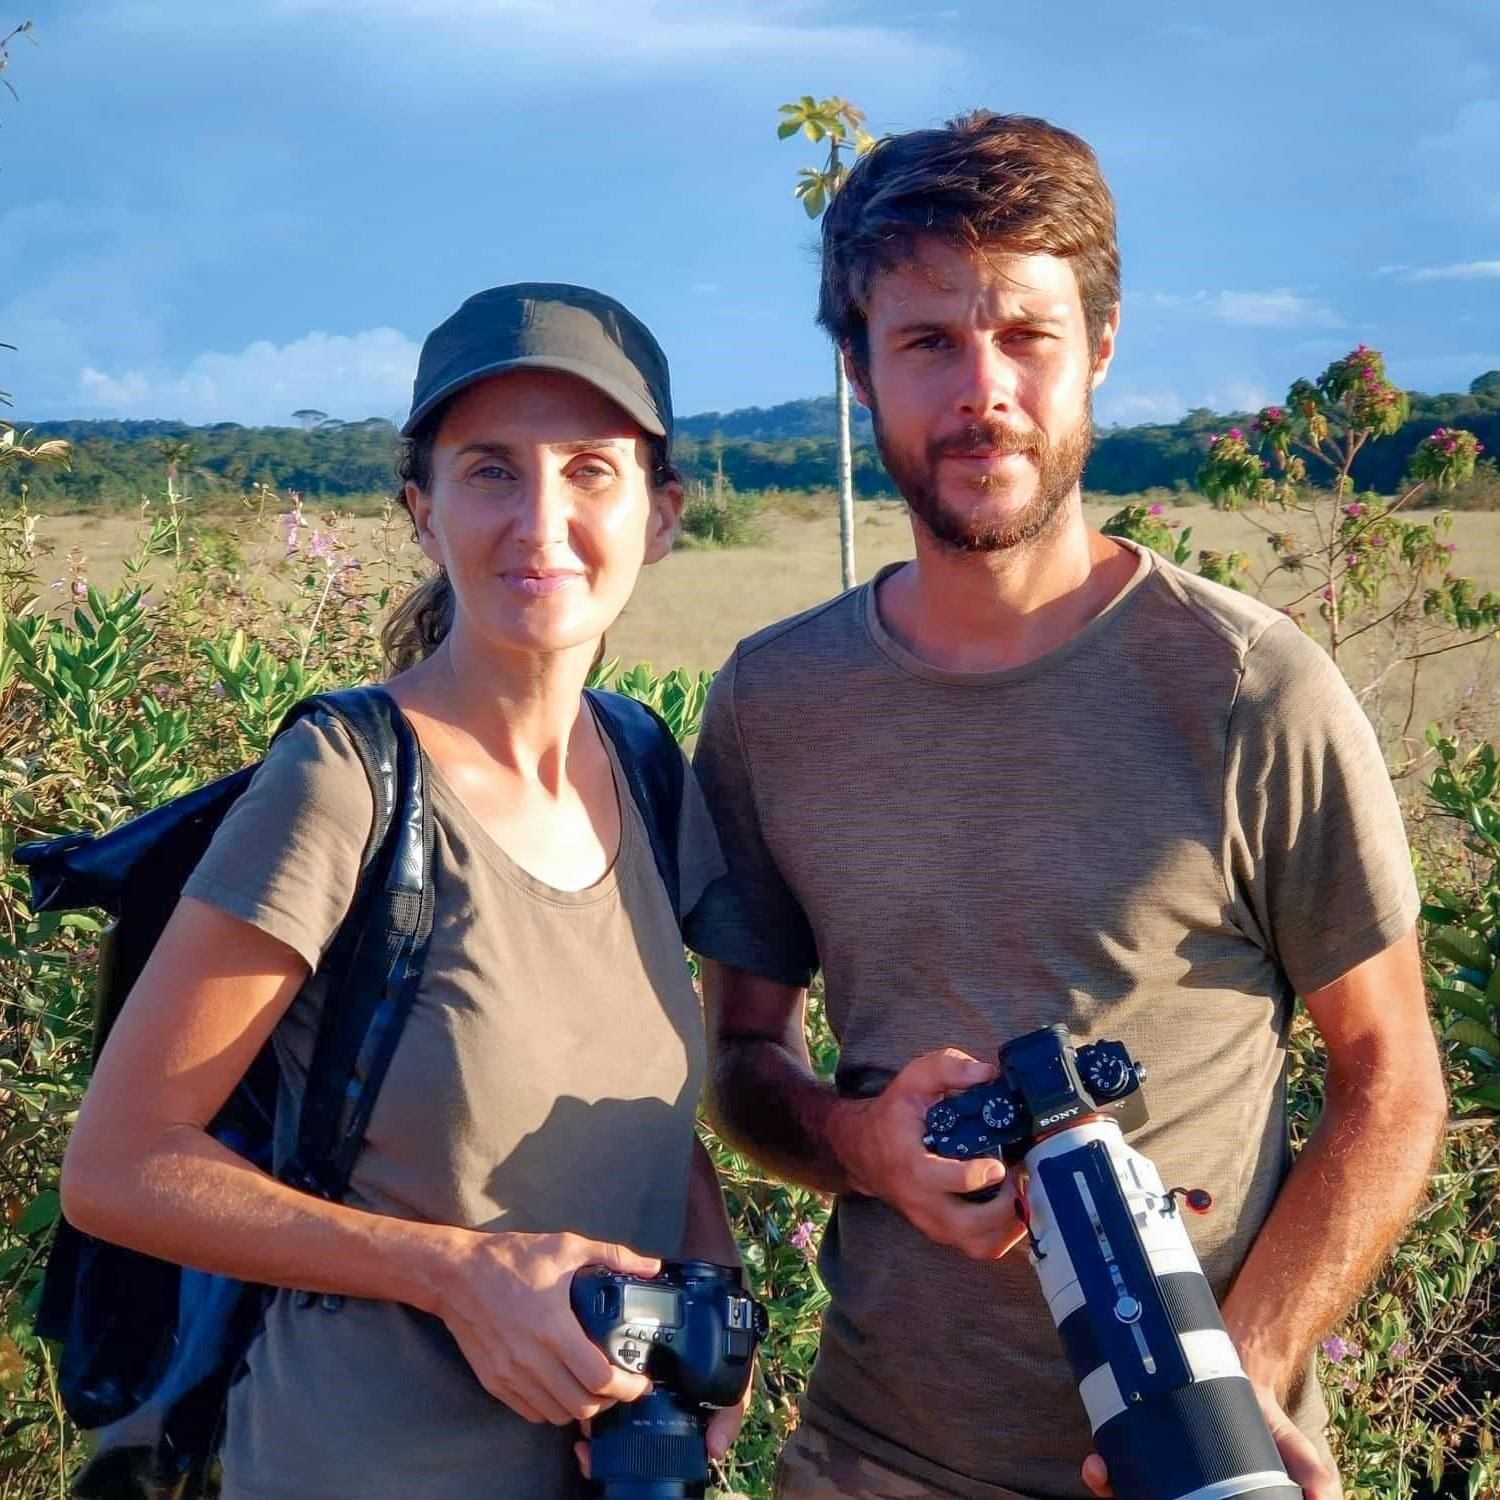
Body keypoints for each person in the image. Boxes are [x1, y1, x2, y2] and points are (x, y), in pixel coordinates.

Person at [684, 113, 1448, 1500]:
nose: (986, 392)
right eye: (927, 342)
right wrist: (862, 1144)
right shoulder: (773, 701)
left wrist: (1248, 1374)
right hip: (872, 1457)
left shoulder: (1250, 689)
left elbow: (1394, 1086)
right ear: (857, 371)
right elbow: (740, 1056)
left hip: (1191, 1470)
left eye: (1026, 335)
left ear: (1100, 346)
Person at [59, 283, 746, 1499]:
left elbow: (648, 1110)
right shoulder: (344, 782)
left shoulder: (643, 767)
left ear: (662, 513)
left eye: (591, 470)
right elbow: (119, 1168)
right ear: (422, 514)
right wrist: (452, 1273)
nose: (543, 521)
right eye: (491, 471)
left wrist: (711, 1305)